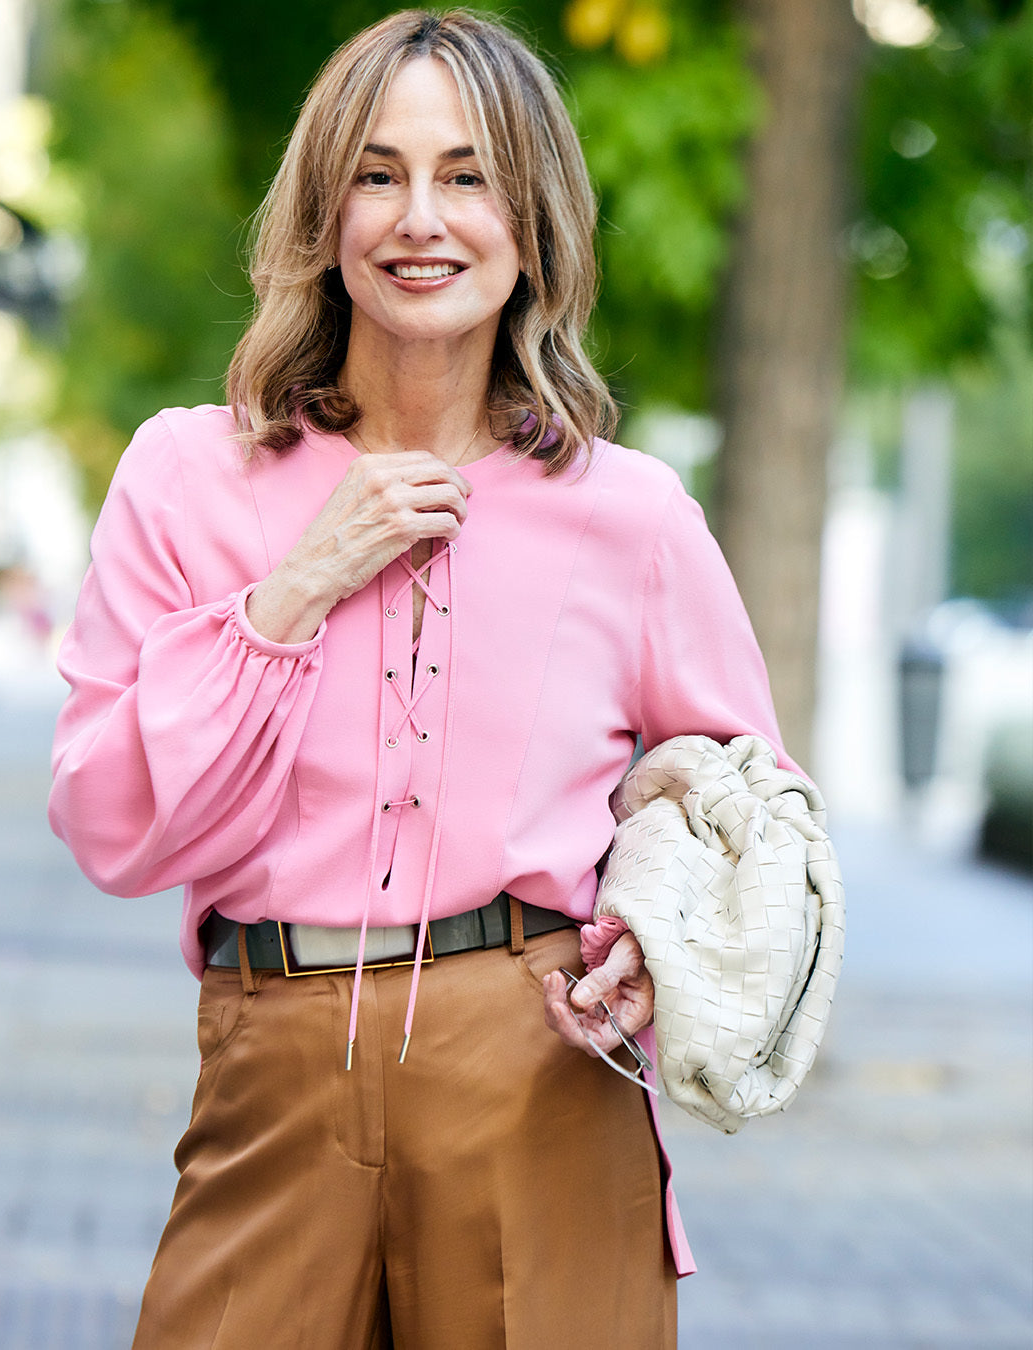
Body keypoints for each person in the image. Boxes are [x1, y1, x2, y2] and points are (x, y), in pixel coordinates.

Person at [49, 9, 797, 1347]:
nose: (420, 218)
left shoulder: (630, 514)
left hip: (540, 1070)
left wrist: (657, 942)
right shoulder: (183, 478)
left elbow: (750, 797)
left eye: (467, 176)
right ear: (326, 211)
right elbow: (108, 823)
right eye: (380, 173)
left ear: (534, 226)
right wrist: (289, 595)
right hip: (270, 1063)